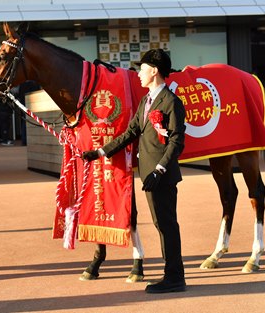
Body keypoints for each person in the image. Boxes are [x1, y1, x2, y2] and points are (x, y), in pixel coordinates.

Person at [82, 49, 187, 294]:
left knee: (167, 224)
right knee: (161, 223)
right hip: (150, 174)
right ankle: (173, 275)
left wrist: (159, 170)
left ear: (154, 71)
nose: (139, 73)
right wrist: (98, 152)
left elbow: (176, 142)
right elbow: (131, 133)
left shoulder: (171, 102)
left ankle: (174, 277)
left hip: (161, 175)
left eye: (142, 69)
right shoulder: (146, 101)